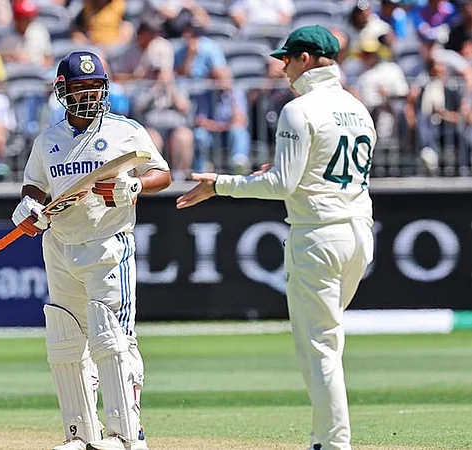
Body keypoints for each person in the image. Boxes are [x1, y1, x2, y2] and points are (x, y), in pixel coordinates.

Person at [175, 25, 376, 450]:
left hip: (319, 236)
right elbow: (311, 172)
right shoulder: (360, 110)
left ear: (305, 59)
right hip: (359, 233)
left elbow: (282, 185)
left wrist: (220, 184)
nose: (282, 69)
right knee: (327, 342)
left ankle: (332, 443)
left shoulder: (298, 110)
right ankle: (325, 437)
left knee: (319, 348)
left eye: (287, 59)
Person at [13, 51, 171, 450]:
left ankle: (128, 436)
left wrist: (135, 186)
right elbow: (35, 185)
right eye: (80, 87)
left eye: (95, 86)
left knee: (113, 338)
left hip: (108, 244)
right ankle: (81, 434)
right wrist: (30, 206)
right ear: (62, 91)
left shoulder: (125, 131)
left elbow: (162, 173)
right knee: (67, 340)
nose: (89, 94)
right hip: (60, 246)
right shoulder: (48, 140)